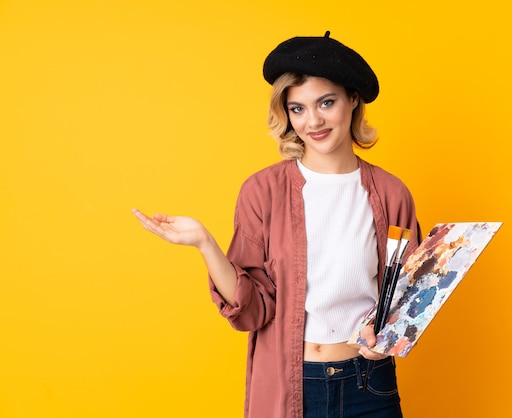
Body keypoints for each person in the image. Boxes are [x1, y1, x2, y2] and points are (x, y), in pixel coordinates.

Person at [132, 31, 421, 418]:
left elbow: (409, 296)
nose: (313, 120)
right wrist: (205, 244)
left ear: (353, 100)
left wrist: (384, 339)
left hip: (369, 385)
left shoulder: (391, 194)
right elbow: (252, 310)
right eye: (297, 108)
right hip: (292, 386)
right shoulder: (262, 192)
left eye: (326, 103)